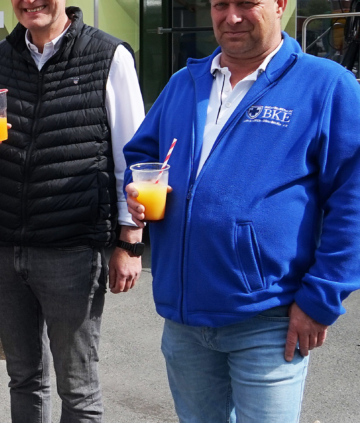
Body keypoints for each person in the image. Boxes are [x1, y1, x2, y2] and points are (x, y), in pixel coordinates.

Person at [123, 0, 360, 420]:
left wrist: (321, 300)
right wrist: (136, 190)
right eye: (220, 5)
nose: (231, 17)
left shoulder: (326, 85)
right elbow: (144, 153)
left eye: (247, 3)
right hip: (184, 317)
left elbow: (353, 200)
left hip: (268, 319)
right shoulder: (184, 82)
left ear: (280, 5)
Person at [0, 0, 147, 421]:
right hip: (3, 246)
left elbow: (131, 159)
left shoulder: (109, 55)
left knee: (78, 391)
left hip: (70, 249)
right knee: (24, 379)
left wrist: (130, 242)